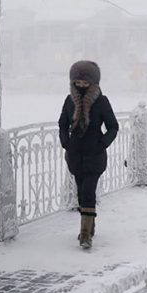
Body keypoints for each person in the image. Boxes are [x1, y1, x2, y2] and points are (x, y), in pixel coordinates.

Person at [58, 60, 119, 249]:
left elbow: (113, 127)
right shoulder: (69, 101)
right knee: (80, 191)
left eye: (85, 83)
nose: (81, 86)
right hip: (75, 155)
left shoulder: (101, 101)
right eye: (78, 83)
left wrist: (102, 143)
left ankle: (85, 234)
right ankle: (90, 224)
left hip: (94, 155)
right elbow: (62, 124)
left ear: (94, 82)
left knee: (88, 191)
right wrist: (66, 142)